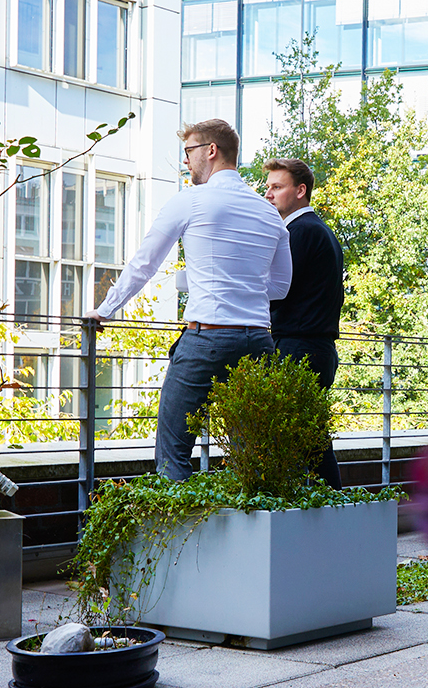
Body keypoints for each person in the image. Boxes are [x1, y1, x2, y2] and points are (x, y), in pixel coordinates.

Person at [87, 120, 289, 480]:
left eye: (188, 152)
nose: (186, 162)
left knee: (174, 449)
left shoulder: (191, 201)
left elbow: (144, 264)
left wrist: (105, 310)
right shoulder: (268, 213)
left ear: (211, 150)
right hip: (259, 341)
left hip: (208, 338)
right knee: (251, 457)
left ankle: (182, 534)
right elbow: (280, 287)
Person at [263, 157, 345, 488]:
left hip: (299, 347)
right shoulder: (317, 231)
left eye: (277, 187)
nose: (268, 194)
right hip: (313, 347)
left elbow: (277, 291)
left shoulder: (300, 232)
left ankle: (334, 511)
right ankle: (334, 513)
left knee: (306, 442)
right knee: (311, 440)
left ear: (300, 191)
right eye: (267, 187)